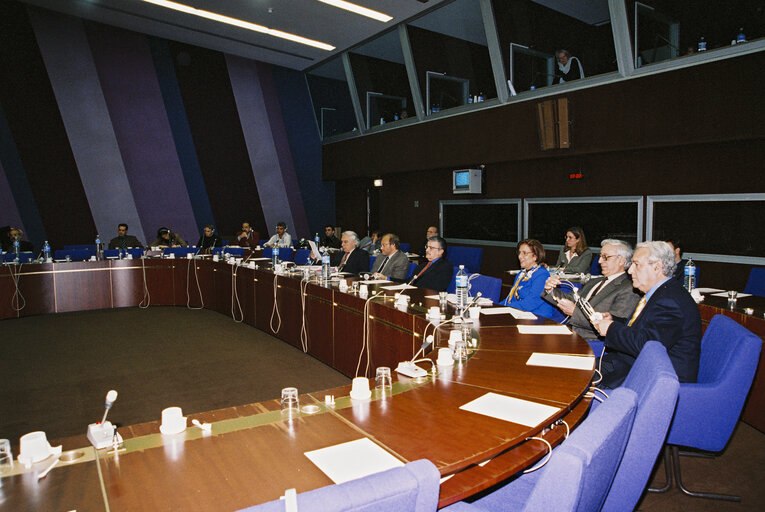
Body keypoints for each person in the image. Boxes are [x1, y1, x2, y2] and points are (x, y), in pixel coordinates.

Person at [593, 241, 702, 389]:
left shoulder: (670, 301)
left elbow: (649, 346)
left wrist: (611, 328)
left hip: (653, 381)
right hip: (631, 365)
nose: (630, 270)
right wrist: (614, 321)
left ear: (657, 267)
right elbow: (645, 327)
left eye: (636, 264)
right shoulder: (660, 292)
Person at [543, 239, 640, 345]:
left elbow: (612, 327)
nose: (599, 261)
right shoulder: (595, 281)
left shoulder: (629, 289)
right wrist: (550, 289)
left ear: (621, 260)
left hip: (592, 342)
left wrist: (574, 312)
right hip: (573, 333)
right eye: (600, 256)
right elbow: (571, 299)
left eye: (605, 257)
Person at [500, 239, 556, 319]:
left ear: (535, 256)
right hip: (521, 313)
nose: (520, 256)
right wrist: (496, 305)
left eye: (525, 253)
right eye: (519, 253)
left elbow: (531, 302)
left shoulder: (542, 275)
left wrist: (505, 307)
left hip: (538, 317)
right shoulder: (521, 274)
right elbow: (510, 298)